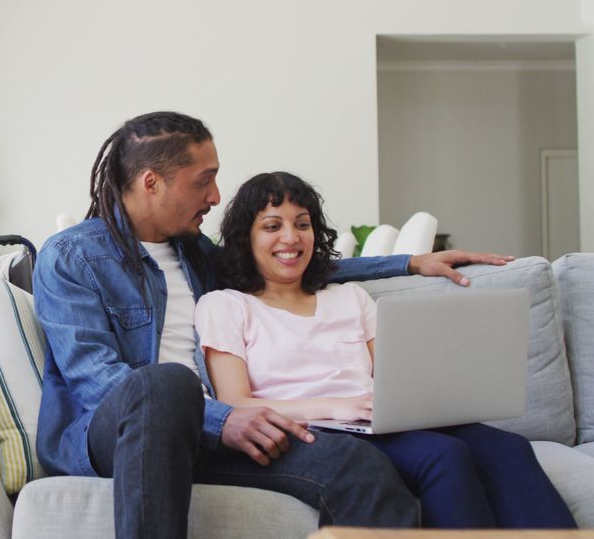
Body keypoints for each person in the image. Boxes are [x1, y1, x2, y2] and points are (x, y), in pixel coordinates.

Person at [32, 111, 513, 538]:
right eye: (203, 181)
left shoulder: (193, 252)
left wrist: (410, 263)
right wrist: (223, 417)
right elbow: (96, 381)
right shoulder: (72, 256)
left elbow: (282, 264)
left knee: (358, 467)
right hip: (123, 435)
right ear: (152, 182)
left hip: (211, 433)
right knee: (166, 383)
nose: (215, 196)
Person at [196, 171, 576, 529]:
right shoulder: (227, 305)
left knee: (507, 447)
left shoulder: (349, 297)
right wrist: (335, 406)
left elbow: (396, 378)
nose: (291, 238)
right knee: (442, 456)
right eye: (272, 226)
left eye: (302, 224)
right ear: (245, 239)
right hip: (319, 429)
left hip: (375, 419)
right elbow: (235, 402)